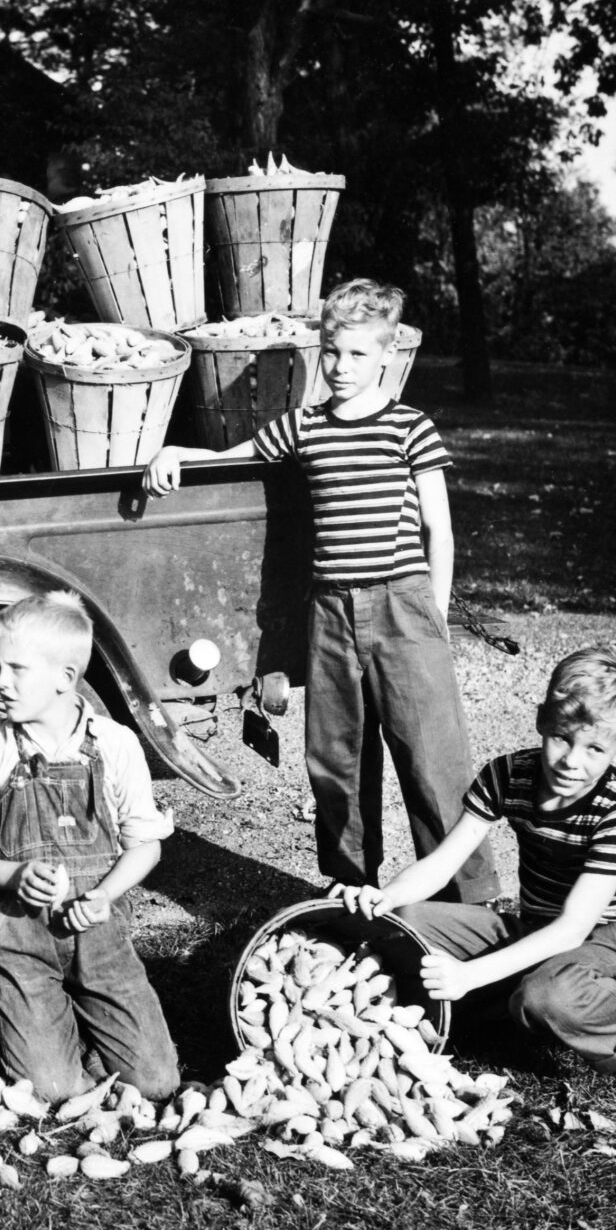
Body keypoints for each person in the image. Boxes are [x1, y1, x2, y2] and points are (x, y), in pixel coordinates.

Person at [145, 278, 495, 904]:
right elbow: (235, 456)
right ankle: (350, 888)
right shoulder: (303, 427)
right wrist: (177, 453)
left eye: (358, 354)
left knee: (430, 754)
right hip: (330, 610)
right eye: (332, 352)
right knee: (335, 758)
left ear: (387, 355)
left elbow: (438, 530)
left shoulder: (409, 428)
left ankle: (466, 900)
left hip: (402, 603)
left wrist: (433, 616)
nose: (340, 367)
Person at [335, 646, 616, 1099]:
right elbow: (444, 862)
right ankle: (504, 999)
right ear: (543, 720)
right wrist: (386, 897)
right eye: (562, 737)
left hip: (605, 942)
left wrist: (470, 976)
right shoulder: (508, 774)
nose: (571, 761)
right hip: (535, 930)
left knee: (547, 998)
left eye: (595, 748)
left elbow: (573, 929)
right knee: (409, 918)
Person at [0, 591, 179, 1104]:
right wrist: (11, 876)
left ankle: (85, 1023)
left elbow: (146, 847)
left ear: (65, 679)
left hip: (100, 937)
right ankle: (45, 1018)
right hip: (19, 937)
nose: (0, 681)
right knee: (51, 1088)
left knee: (158, 1082)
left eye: (17, 669)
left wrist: (105, 895)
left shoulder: (115, 745)